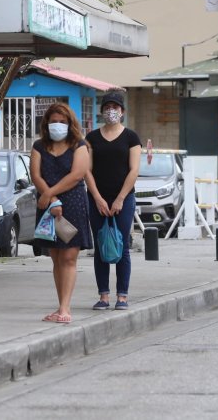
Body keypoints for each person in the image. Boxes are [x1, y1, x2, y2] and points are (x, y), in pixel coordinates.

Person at [30, 103, 92, 324]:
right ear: (46, 123)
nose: (57, 125)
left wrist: (51, 194)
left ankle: (66, 308)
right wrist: (50, 198)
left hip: (72, 203)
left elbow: (77, 175)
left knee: (68, 257)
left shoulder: (79, 145)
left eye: (62, 122)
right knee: (56, 257)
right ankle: (60, 305)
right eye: (53, 121)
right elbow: (35, 175)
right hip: (48, 204)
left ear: (70, 123)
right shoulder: (39, 146)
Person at [83, 91, 141, 311]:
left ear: (122, 111)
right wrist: (97, 197)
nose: (111, 111)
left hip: (123, 199)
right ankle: (104, 296)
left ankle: (122, 296)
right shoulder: (92, 138)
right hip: (97, 198)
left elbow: (134, 170)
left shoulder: (131, 137)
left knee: (122, 244)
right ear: (101, 111)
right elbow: (87, 170)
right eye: (107, 107)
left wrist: (120, 199)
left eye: (115, 107)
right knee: (101, 245)